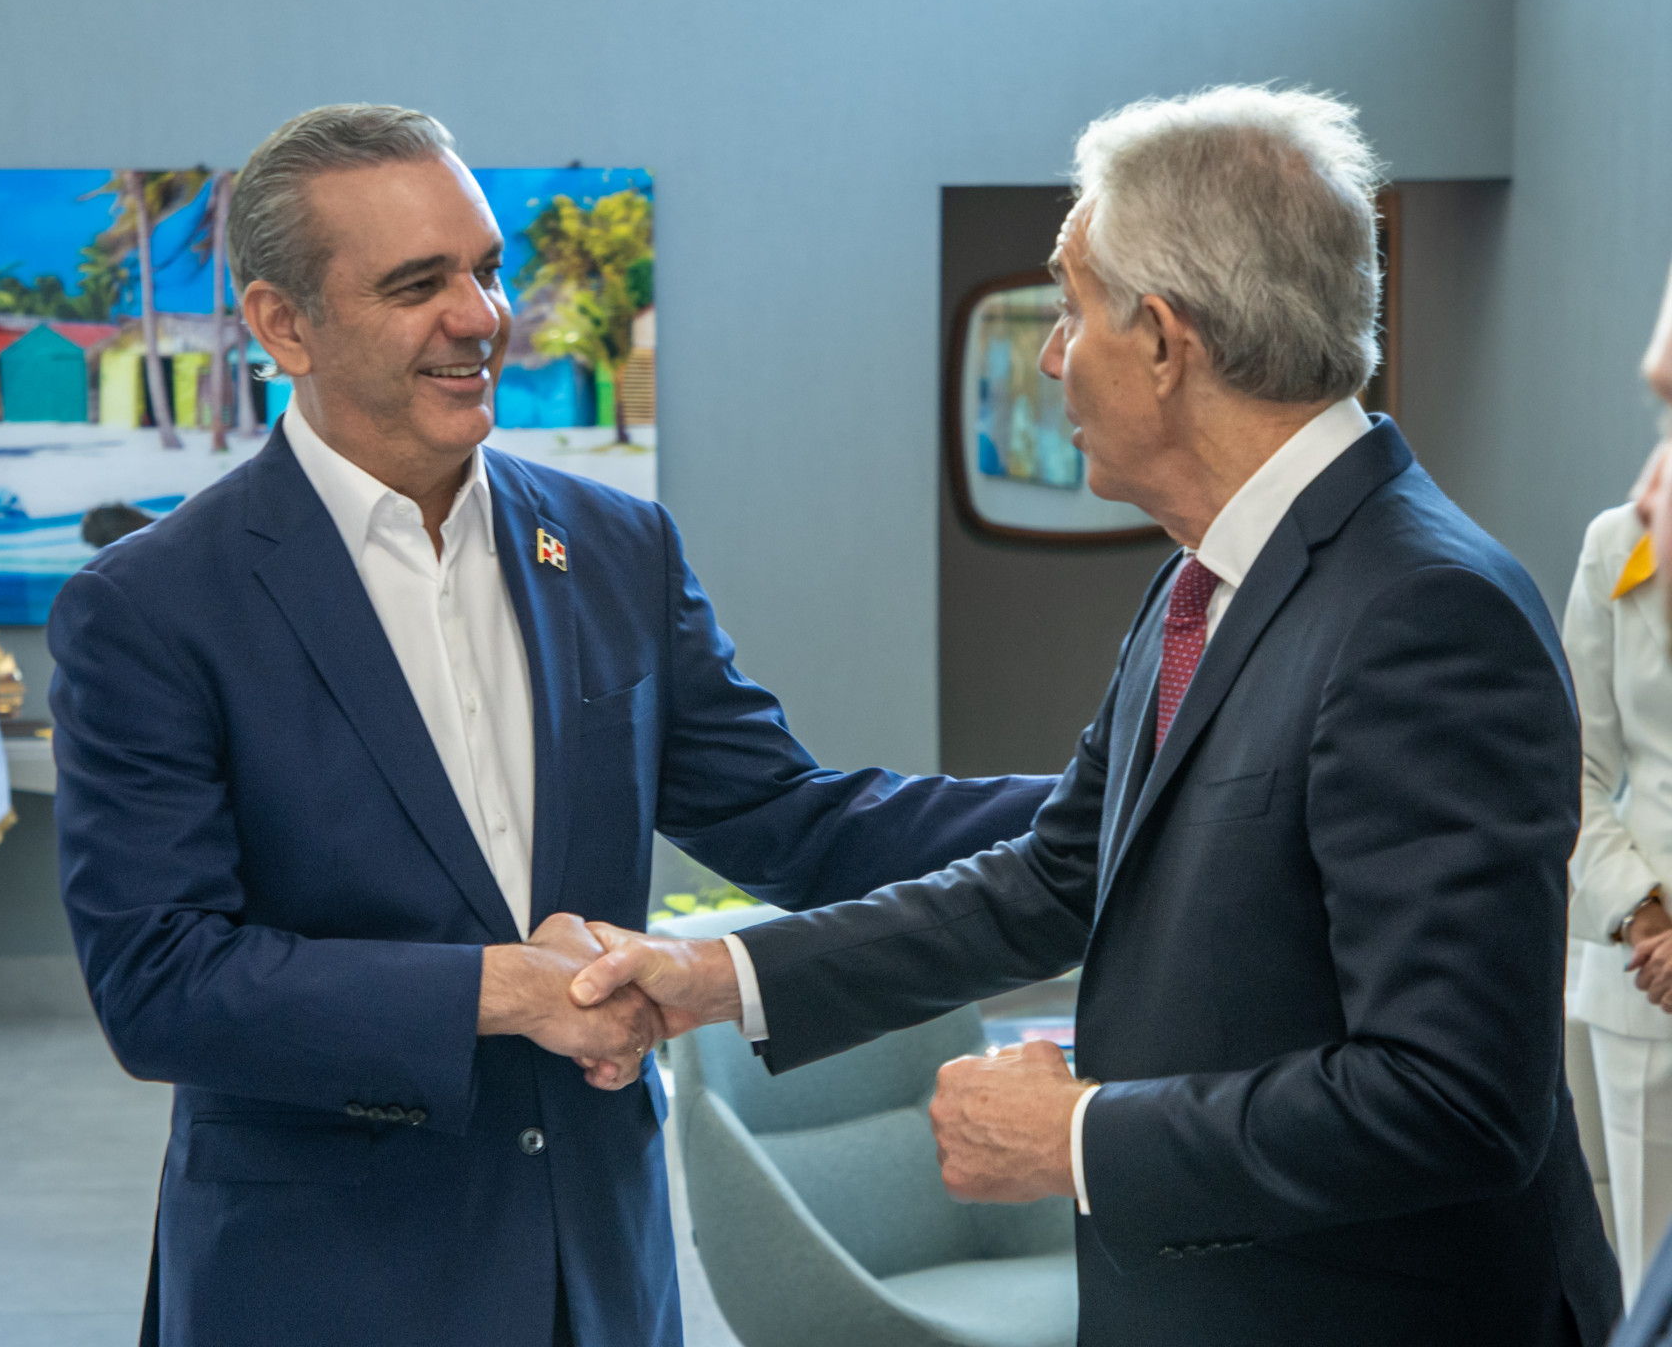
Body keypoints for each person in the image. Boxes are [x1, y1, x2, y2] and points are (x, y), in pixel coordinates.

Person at [567, 86, 1623, 1346]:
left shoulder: (1426, 613)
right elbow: (1058, 875)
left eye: (1070, 308)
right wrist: (714, 978)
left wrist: (1075, 1133)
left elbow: (1452, 1100)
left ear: (1165, 340)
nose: (1053, 355)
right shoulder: (1203, 581)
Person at [47, 104, 1052, 1347]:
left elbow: (796, 820)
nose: (479, 316)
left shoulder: (618, 548)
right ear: (281, 324)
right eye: (418, 283)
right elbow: (161, 984)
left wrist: (1133, 794)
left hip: (598, 1269)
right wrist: (505, 989)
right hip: (323, 1278)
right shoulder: (151, 606)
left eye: (487, 268)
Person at [1564, 440, 1672, 1306]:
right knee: (1647, 1280)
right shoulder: (1618, 545)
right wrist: (1643, 913)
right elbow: (1571, 769)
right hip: (1648, 978)